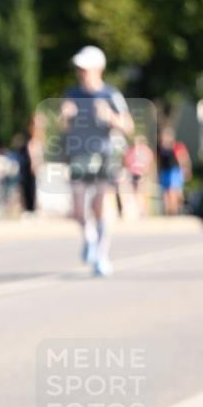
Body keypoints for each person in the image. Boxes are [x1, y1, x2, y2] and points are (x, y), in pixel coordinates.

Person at [60, 46, 133, 276]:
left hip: (104, 154)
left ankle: (102, 256)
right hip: (79, 155)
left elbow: (128, 126)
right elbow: (63, 126)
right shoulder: (71, 94)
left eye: (85, 69)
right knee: (79, 210)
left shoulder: (110, 95)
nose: (81, 73)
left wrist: (109, 117)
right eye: (79, 69)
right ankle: (89, 238)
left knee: (100, 206)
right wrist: (65, 117)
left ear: (98, 69)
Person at [157, 127, 191, 216]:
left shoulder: (177, 146)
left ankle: (174, 211)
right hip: (165, 171)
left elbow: (183, 159)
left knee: (173, 192)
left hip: (175, 172)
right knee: (165, 193)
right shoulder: (160, 148)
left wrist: (186, 170)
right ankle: (168, 211)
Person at [123, 135, 154, 218]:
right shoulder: (133, 150)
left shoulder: (144, 151)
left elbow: (148, 162)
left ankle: (143, 211)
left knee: (141, 192)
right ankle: (140, 211)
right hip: (134, 173)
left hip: (140, 173)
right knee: (137, 193)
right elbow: (127, 161)